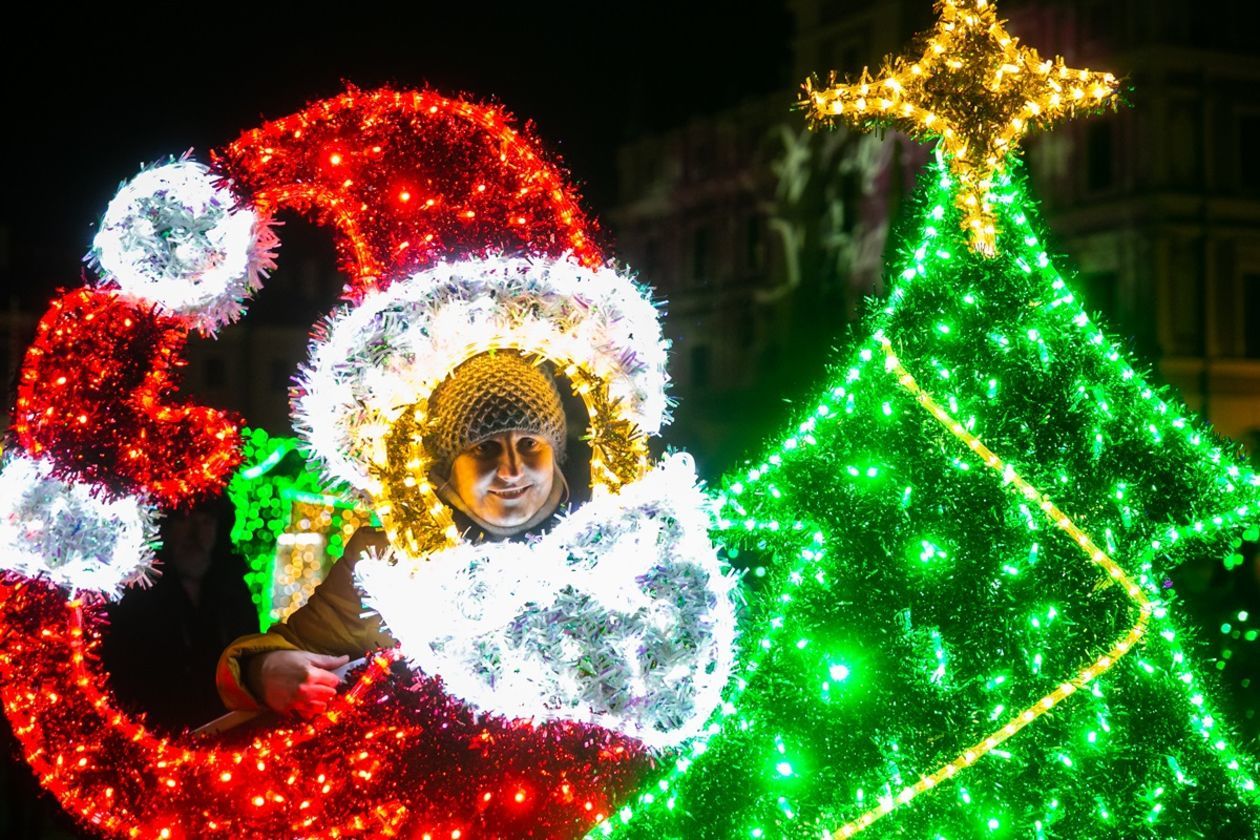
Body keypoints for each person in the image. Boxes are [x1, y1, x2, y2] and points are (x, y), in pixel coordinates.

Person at [216, 351, 573, 716]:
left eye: (530, 443)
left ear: (555, 451)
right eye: (485, 447)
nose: (511, 470)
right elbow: (289, 648)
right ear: (449, 463)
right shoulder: (385, 562)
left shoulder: (610, 553)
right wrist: (267, 671)